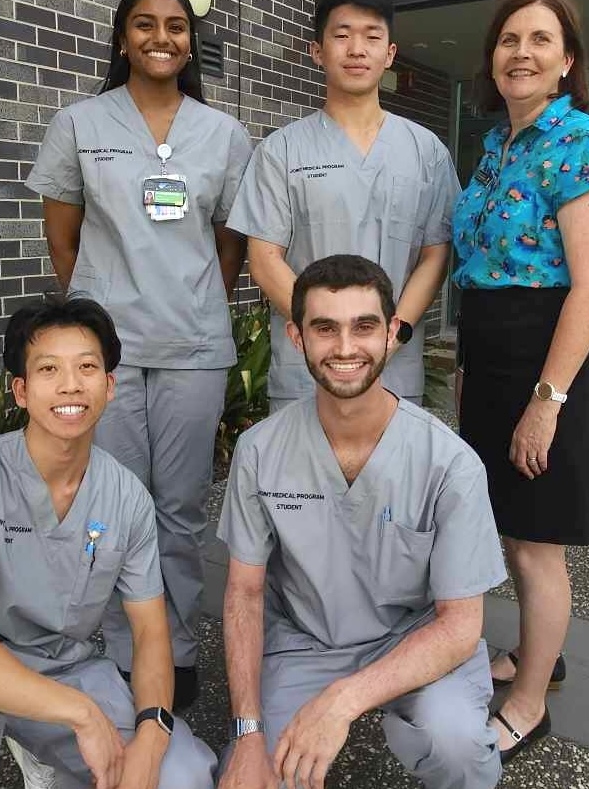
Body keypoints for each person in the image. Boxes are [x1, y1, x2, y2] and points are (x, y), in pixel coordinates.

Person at [25, 0, 254, 709]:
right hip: (108, 352)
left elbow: (231, 244)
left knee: (180, 508)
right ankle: (123, 649)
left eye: (176, 26)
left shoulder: (223, 135)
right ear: (123, 38)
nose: (162, 37)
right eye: (146, 24)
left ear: (191, 41)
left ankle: (176, 648)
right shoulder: (80, 124)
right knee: (116, 503)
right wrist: (98, 314)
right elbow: (63, 241)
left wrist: (196, 301)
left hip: (193, 347)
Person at [0, 296, 217, 789]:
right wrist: (80, 713)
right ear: (20, 391)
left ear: (109, 386)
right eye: (48, 369)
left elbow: (150, 634)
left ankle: (54, 751)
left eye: (87, 367)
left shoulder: (127, 499)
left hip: (63, 666)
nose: (70, 384)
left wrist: (153, 731)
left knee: (180, 775)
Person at [217, 255, 507, 789]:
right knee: (256, 776)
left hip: (414, 636)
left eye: (364, 326)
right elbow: (244, 593)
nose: (346, 347)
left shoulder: (449, 464)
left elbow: (460, 626)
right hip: (305, 640)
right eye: (325, 328)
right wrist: (248, 730)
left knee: (458, 745)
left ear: (392, 333)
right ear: (297, 337)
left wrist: (343, 700)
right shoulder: (260, 451)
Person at [452, 0, 589, 764]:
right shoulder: (497, 146)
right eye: (508, 39)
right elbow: (481, 272)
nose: (521, 52)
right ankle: (536, 655)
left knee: (536, 543)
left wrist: (546, 402)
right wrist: (467, 369)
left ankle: (529, 706)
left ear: (566, 61)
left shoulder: (582, 141)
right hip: (492, 354)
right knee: (511, 525)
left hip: (547, 359)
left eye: (540, 39)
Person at [227, 0, 459, 413]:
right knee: (299, 458)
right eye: (342, 35)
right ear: (317, 51)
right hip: (306, 364)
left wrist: (393, 335)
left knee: (391, 459)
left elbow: (435, 255)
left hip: (394, 362)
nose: (357, 49)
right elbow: (264, 259)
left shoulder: (426, 152)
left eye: (372, 37)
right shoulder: (281, 151)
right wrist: (325, 334)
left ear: (390, 53)